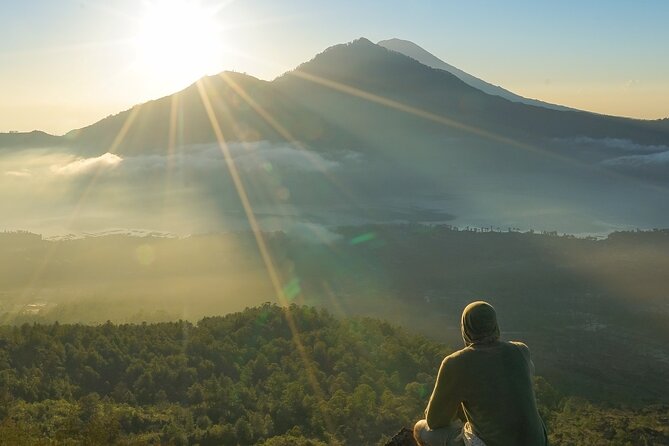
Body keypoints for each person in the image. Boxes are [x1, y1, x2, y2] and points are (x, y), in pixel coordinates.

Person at [413, 301, 548, 446]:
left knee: (421, 429)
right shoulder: (521, 351)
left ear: (465, 328)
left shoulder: (455, 363)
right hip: (539, 442)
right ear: (495, 325)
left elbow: (435, 422)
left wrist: (454, 407)